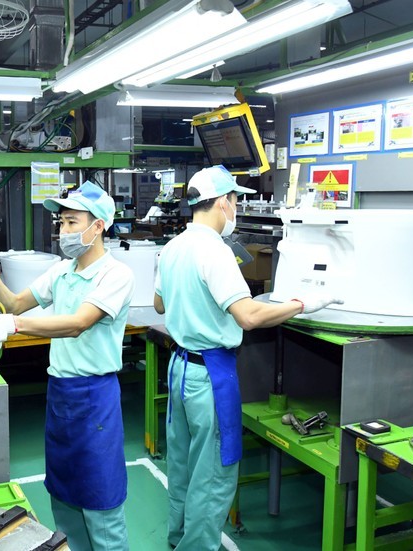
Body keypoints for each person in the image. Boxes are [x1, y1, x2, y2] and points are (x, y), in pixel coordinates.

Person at [153, 165, 342, 551]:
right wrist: (302, 303)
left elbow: (159, 304)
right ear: (223, 203)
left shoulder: (173, 247)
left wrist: (196, 303)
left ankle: (177, 540)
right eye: (236, 201)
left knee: (184, 467)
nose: (236, 208)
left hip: (179, 368)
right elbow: (250, 317)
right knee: (214, 474)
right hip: (211, 375)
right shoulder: (214, 252)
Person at [0, 181, 134, 551]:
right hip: (60, 395)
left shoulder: (115, 275)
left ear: (99, 225)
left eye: (73, 222)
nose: (64, 230)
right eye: (62, 222)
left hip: (94, 398)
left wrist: (11, 327)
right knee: (64, 496)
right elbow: (16, 304)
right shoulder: (63, 270)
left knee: (101, 502)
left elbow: (78, 323)